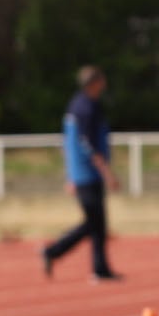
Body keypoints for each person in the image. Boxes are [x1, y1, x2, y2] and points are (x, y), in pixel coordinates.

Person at [43, 64, 121, 282]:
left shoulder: (78, 105)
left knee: (98, 224)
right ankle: (53, 251)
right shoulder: (86, 108)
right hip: (87, 173)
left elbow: (67, 143)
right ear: (94, 83)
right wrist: (107, 172)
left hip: (84, 173)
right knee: (94, 222)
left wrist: (70, 174)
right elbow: (88, 144)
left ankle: (100, 268)